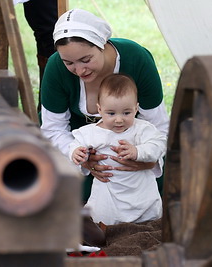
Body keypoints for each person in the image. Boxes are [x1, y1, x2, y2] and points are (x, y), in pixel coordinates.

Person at [40, 8, 169, 202]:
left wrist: (146, 160)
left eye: (86, 60)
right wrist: (81, 157)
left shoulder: (136, 59)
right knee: (71, 195)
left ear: (102, 44)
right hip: (83, 145)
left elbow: (160, 127)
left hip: (134, 145)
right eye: (69, 63)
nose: (79, 70)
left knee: (148, 196)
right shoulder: (56, 67)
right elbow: (53, 129)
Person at [69, 74, 166, 225]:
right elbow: (75, 144)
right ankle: (102, 227)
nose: (119, 119)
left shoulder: (142, 129)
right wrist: (77, 153)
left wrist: (138, 151)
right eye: (111, 113)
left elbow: (159, 144)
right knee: (102, 215)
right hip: (109, 190)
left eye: (126, 113)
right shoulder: (91, 133)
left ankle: (147, 223)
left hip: (140, 190)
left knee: (149, 215)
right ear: (99, 110)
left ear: (136, 109)